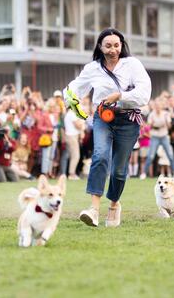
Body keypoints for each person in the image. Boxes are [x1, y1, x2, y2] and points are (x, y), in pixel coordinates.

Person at [63, 28, 151, 228]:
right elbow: (75, 87)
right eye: (108, 45)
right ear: (100, 47)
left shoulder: (133, 65)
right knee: (100, 155)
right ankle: (93, 209)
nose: (113, 49)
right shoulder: (92, 68)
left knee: (119, 170)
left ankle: (113, 205)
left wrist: (120, 96)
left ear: (122, 46)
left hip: (128, 120)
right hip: (102, 118)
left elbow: (144, 94)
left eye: (117, 45)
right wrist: (70, 99)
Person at [143, 98, 174, 178]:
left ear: (161, 106)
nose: (158, 107)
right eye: (156, 105)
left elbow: (169, 127)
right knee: (151, 156)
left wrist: (166, 122)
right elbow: (149, 126)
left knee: (170, 155)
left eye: (159, 105)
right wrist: (153, 125)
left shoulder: (166, 114)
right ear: (154, 106)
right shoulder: (151, 114)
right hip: (155, 136)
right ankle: (144, 173)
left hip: (164, 136)